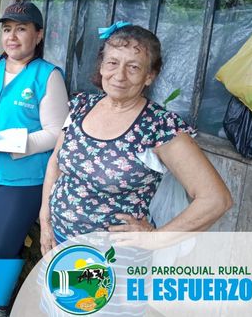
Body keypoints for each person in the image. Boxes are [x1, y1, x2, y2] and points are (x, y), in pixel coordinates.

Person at [40, 23, 233, 252]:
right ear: (101, 66)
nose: (119, 75)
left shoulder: (159, 127)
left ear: (149, 76)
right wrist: (45, 219)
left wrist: (156, 239)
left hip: (113, 256)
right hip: (59, 239)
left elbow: (216, 199)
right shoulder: (81, 105)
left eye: (133, 67)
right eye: (112, 63)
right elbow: (55, 163)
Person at [0, 2, 69, 317]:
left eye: (21, 29)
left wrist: (19, 145)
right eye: (7, 29)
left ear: (39, 35)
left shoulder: (47, 76)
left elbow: (56, 132)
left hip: (23, 178)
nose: (12, 37)